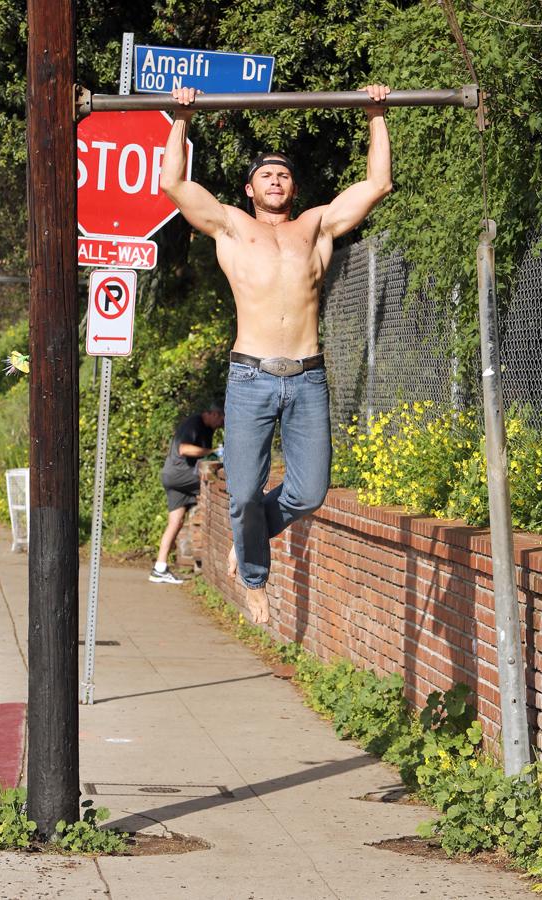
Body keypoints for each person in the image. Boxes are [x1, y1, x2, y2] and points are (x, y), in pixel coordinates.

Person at [160, 84, 392, 622]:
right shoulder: (231, 227)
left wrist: (376, 114)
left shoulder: (315, 226)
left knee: (310, 493)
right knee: (242, 492)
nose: (276, 180)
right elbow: (172, 182)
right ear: (249, 189)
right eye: (266, 174)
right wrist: (181, 117)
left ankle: (252, 535)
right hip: (251, 378)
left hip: (308, 378)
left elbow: (378, 183)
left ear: (294, 187)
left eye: (284, 174)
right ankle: (255, 578)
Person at [149, 403, 225, 584]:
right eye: (220, 419)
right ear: (211, 413)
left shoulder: (207, 428)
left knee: (175, 522)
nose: (221, 424)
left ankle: (159, 568)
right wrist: (213, 452)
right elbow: (184, 449)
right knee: (214, 485)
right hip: (180, 475)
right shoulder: (194, 423)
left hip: (173, 477)